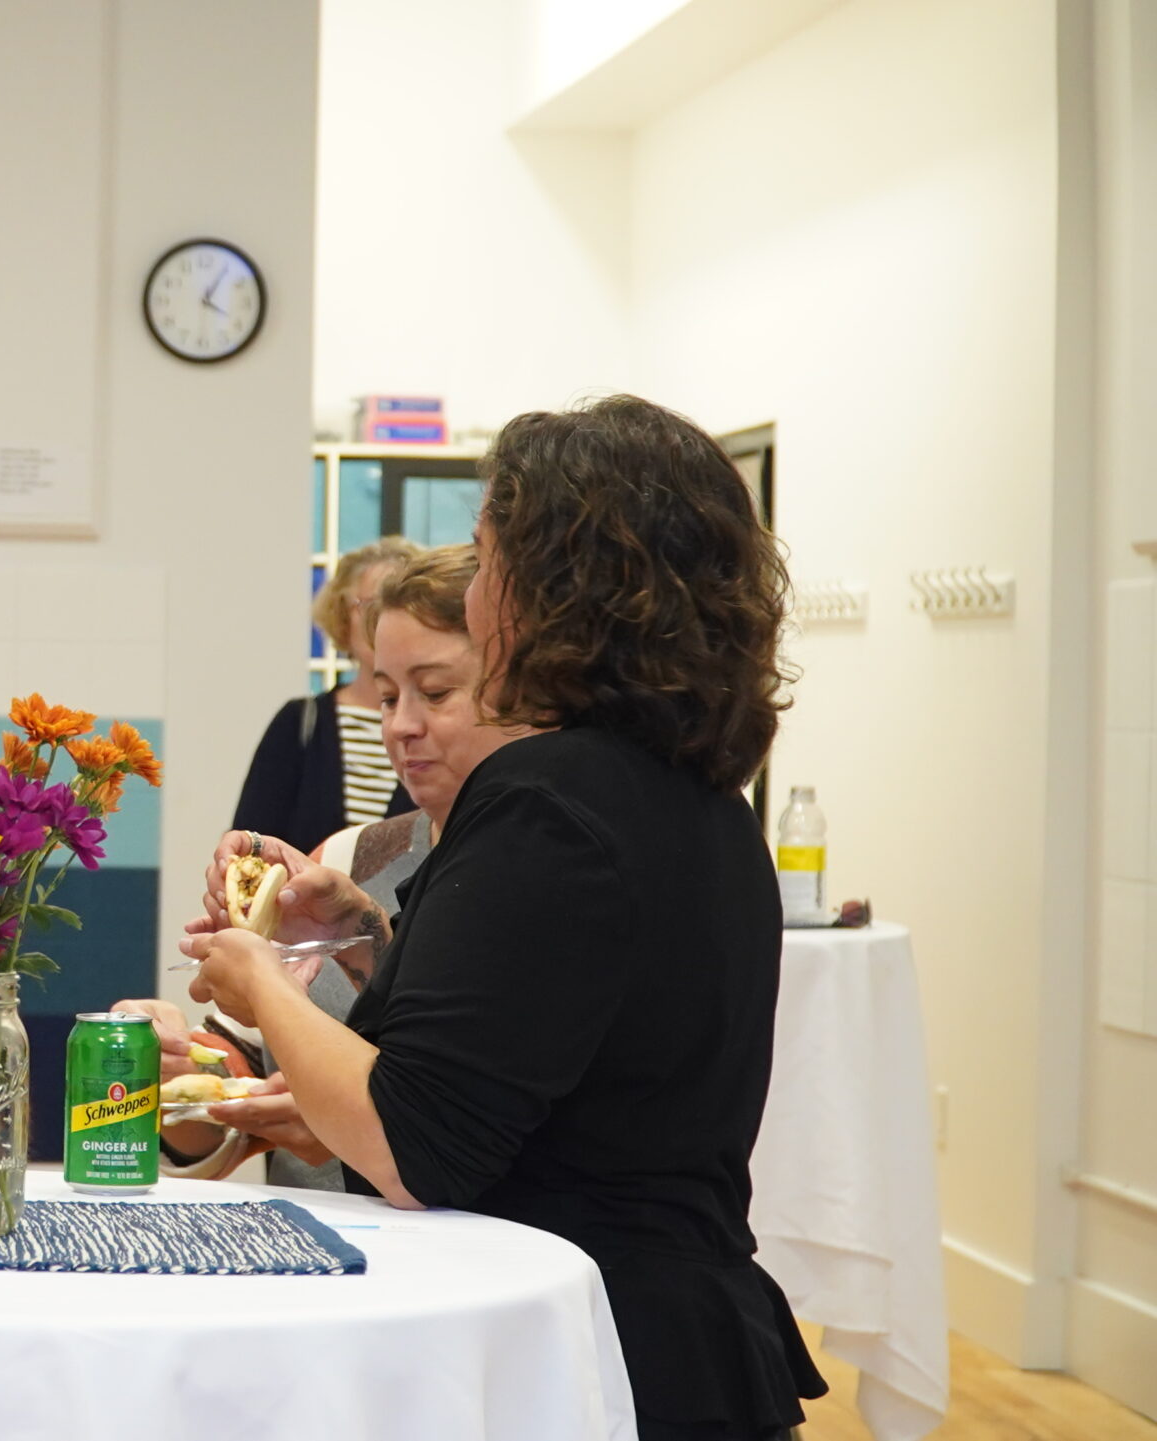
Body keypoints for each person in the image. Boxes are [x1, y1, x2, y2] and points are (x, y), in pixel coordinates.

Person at [187, 394, 823, 1441]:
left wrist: (255, 974)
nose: (476, 595)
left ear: (549, 591)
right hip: (675, 1340)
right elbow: (544, 1082)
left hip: (588, 1355)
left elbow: (412, 1144)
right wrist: (351, 988)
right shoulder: (692, 796)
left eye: (485, 563)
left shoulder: (549, 798)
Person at [125, 544, 532, 1187]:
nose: (401, 725)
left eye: (434, 692)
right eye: (387, 696)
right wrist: (169, 1069)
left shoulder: (546, 872)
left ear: (521, 690)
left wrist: (335, 1113)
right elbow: (225, 1104)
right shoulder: (342, 861)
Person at [229, 536, 417, 854]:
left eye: (399, 606)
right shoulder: (300, 723)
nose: (383, 622)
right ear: (342, 616)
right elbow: (251, 845)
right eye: (372, 606)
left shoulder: (437, 726)